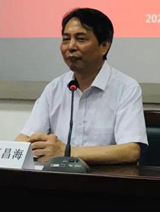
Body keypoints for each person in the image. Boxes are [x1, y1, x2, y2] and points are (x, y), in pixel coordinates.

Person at [16, 8, 147, 165]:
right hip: (58, 177)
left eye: (81, 39)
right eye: (66, 39)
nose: (71, 46)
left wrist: (66, 152)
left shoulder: (126, 88)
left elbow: (131, 151)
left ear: (104, 46)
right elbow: (25, 137)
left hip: (103, 177)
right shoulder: (55, 88)